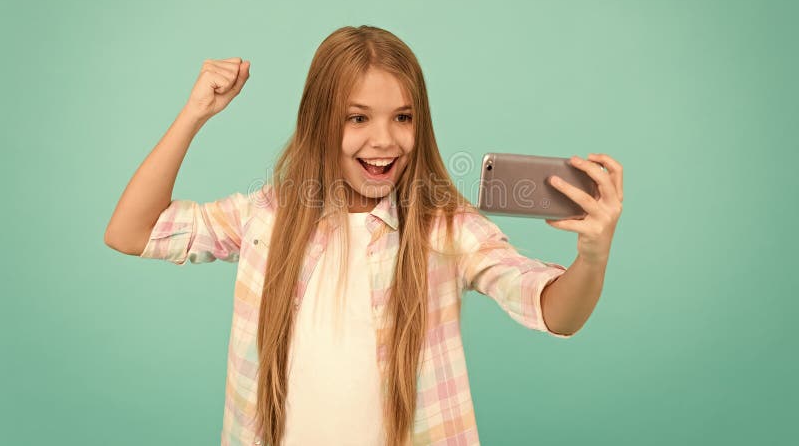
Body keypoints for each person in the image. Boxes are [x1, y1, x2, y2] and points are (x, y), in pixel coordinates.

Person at [104, 25, 624, 446]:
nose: (384, 140)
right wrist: (195, 113)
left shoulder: (445, 228)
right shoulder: (268, 216)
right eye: (357, 118)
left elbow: (557, 312)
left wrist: (593, 254)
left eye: (403, 117)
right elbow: (133, 232)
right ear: (318, 123)